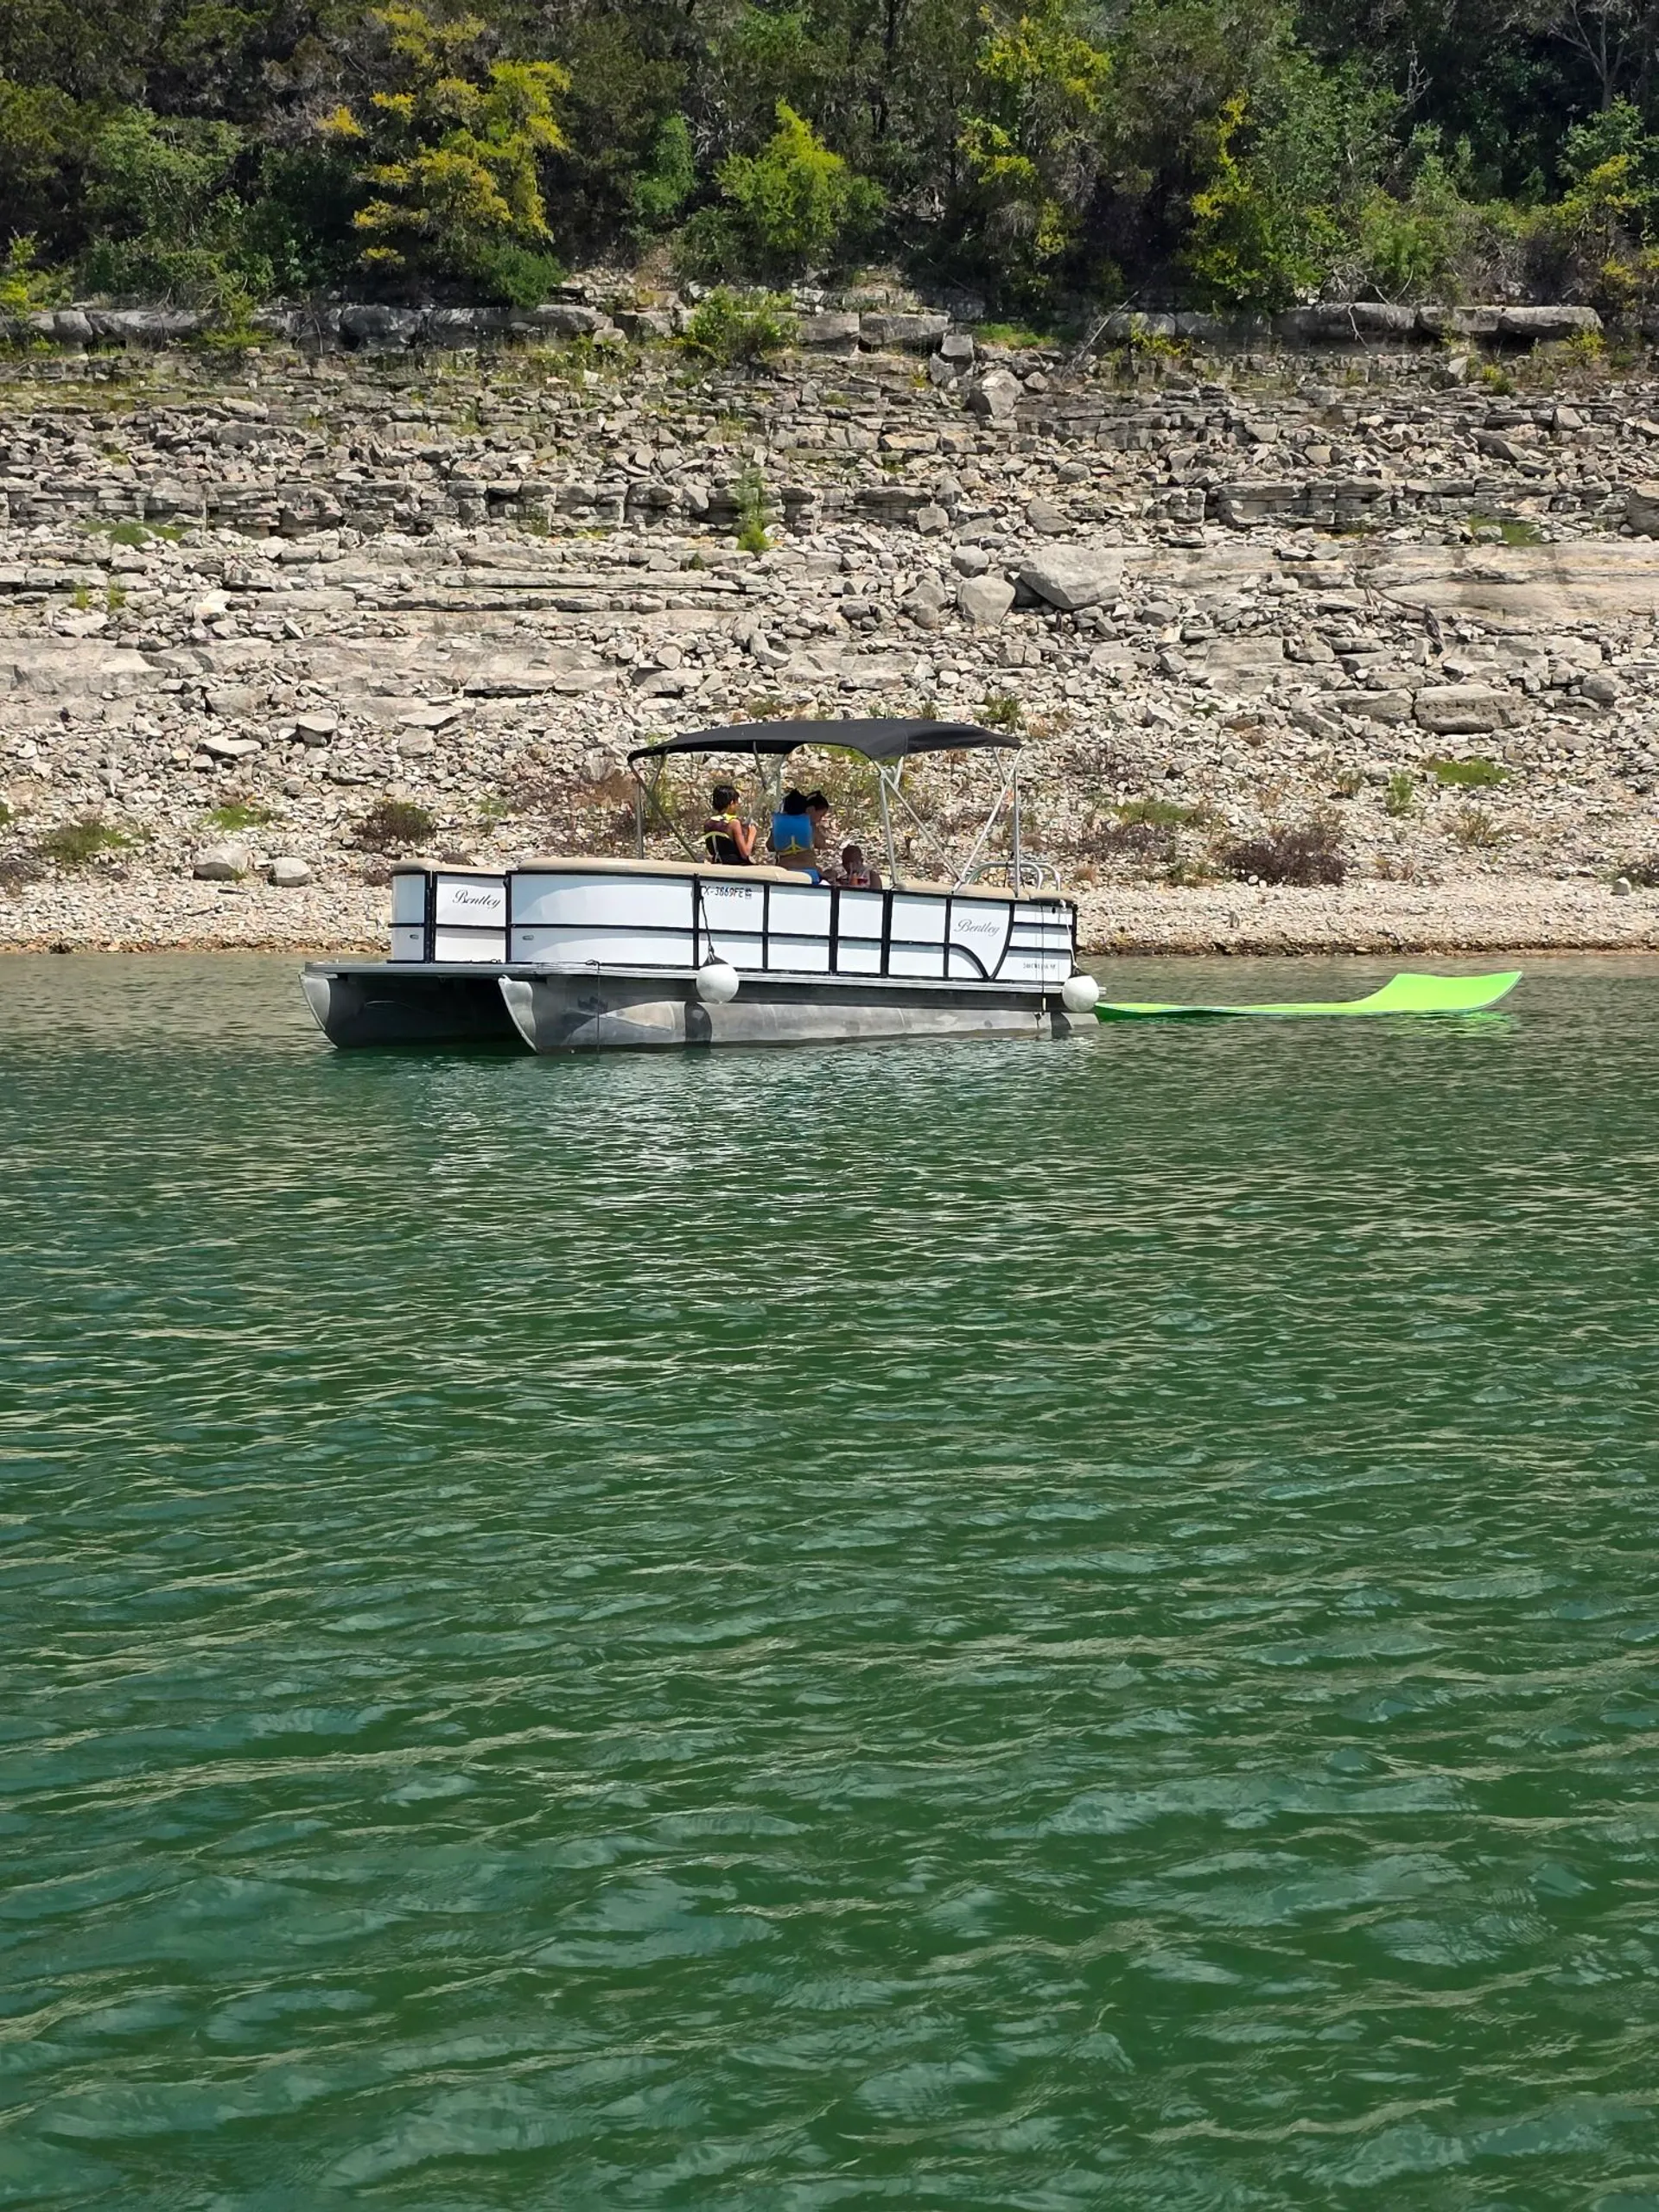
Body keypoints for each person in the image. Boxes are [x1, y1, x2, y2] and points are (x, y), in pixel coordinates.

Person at [769, 787, 819, 880]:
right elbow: (821, 844)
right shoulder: (810, 826)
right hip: (808, 873)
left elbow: (770, 846)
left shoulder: (778, 827)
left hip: (785, 872)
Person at [702, 783, 756, 866]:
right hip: (733, 867)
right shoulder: (733, 823)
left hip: (717, 865)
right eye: (736, 802)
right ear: (731, 803)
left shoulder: (708, 823)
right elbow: (745, 854)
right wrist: (751, 835)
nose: (738, 805)